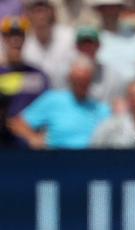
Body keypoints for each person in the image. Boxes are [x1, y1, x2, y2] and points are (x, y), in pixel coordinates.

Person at [8, 55, 110, 149]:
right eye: (77, 80)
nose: (81, 84)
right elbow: (17, 123)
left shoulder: (101, 108)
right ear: (70, 78)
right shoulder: (53, 100)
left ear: (91, 81)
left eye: (85, 80)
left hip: (93, 160)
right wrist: (33, 138)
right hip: (58, 160)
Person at [0, 15, 50, 148]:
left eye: (20, 35)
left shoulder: (38, 75)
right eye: (9, 35)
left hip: (32, 145)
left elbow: (48, 110)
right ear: (3, 39)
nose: (15, 40)